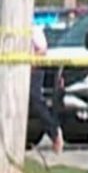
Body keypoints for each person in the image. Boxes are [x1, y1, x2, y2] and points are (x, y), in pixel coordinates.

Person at [29, 24, 63, 154]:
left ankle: (54, 133)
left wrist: (31, 61)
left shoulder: (33, 29)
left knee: (35, 100)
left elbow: (43, 50)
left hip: (34, 69)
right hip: (12, 71)